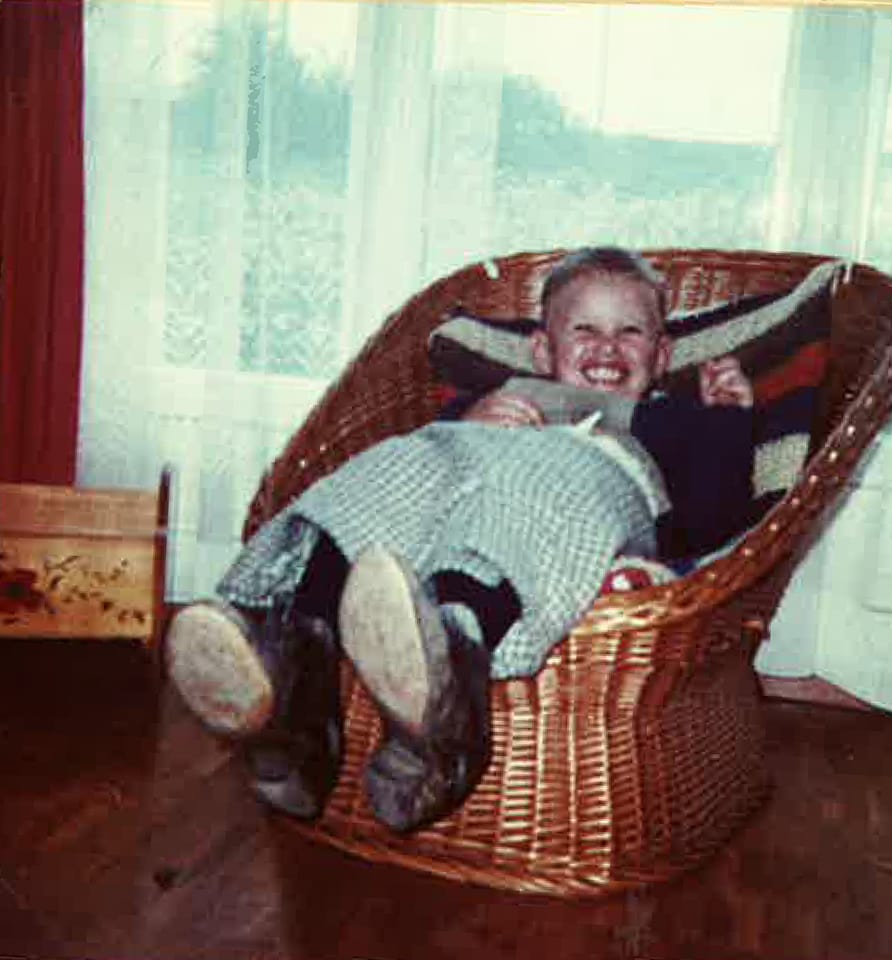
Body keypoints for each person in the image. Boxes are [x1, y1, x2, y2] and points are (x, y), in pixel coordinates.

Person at [164, 246, 759, 834]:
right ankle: (299, 669)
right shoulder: (500, 397)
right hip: (469, 465)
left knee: (528, 497)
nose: (606, 348)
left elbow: (715, 524)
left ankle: (451, 676)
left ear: (662, 355)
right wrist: (465, 425)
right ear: (543, 349)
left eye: (630, 332)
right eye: (585, 330)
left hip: (592, 486)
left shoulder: (675, 421)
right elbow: (431, 474)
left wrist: (729, 422)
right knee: (396, 468)